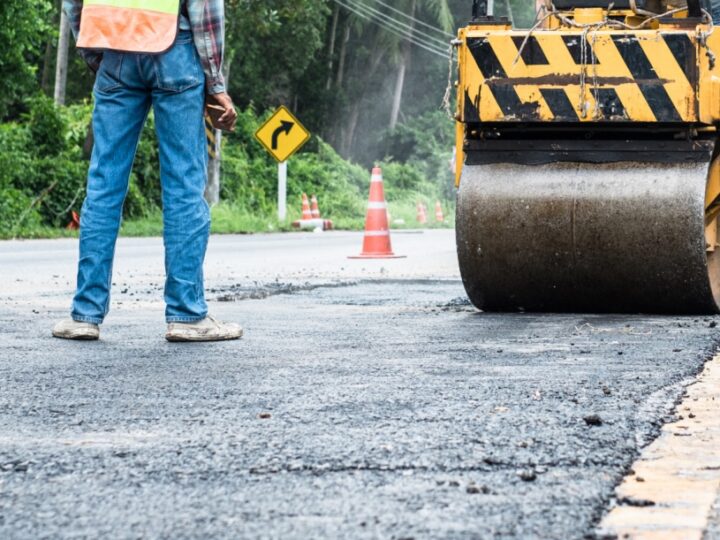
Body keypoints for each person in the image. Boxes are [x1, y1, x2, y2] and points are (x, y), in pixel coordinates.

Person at [52, 0, 243, 342]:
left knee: (104, 184)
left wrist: (95, 51)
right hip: (175, 49)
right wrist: (215, 83)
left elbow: (73, 3)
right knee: (184, 185)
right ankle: (187, 315)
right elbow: (204, 7)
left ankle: (85, 314)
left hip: (114, 48)